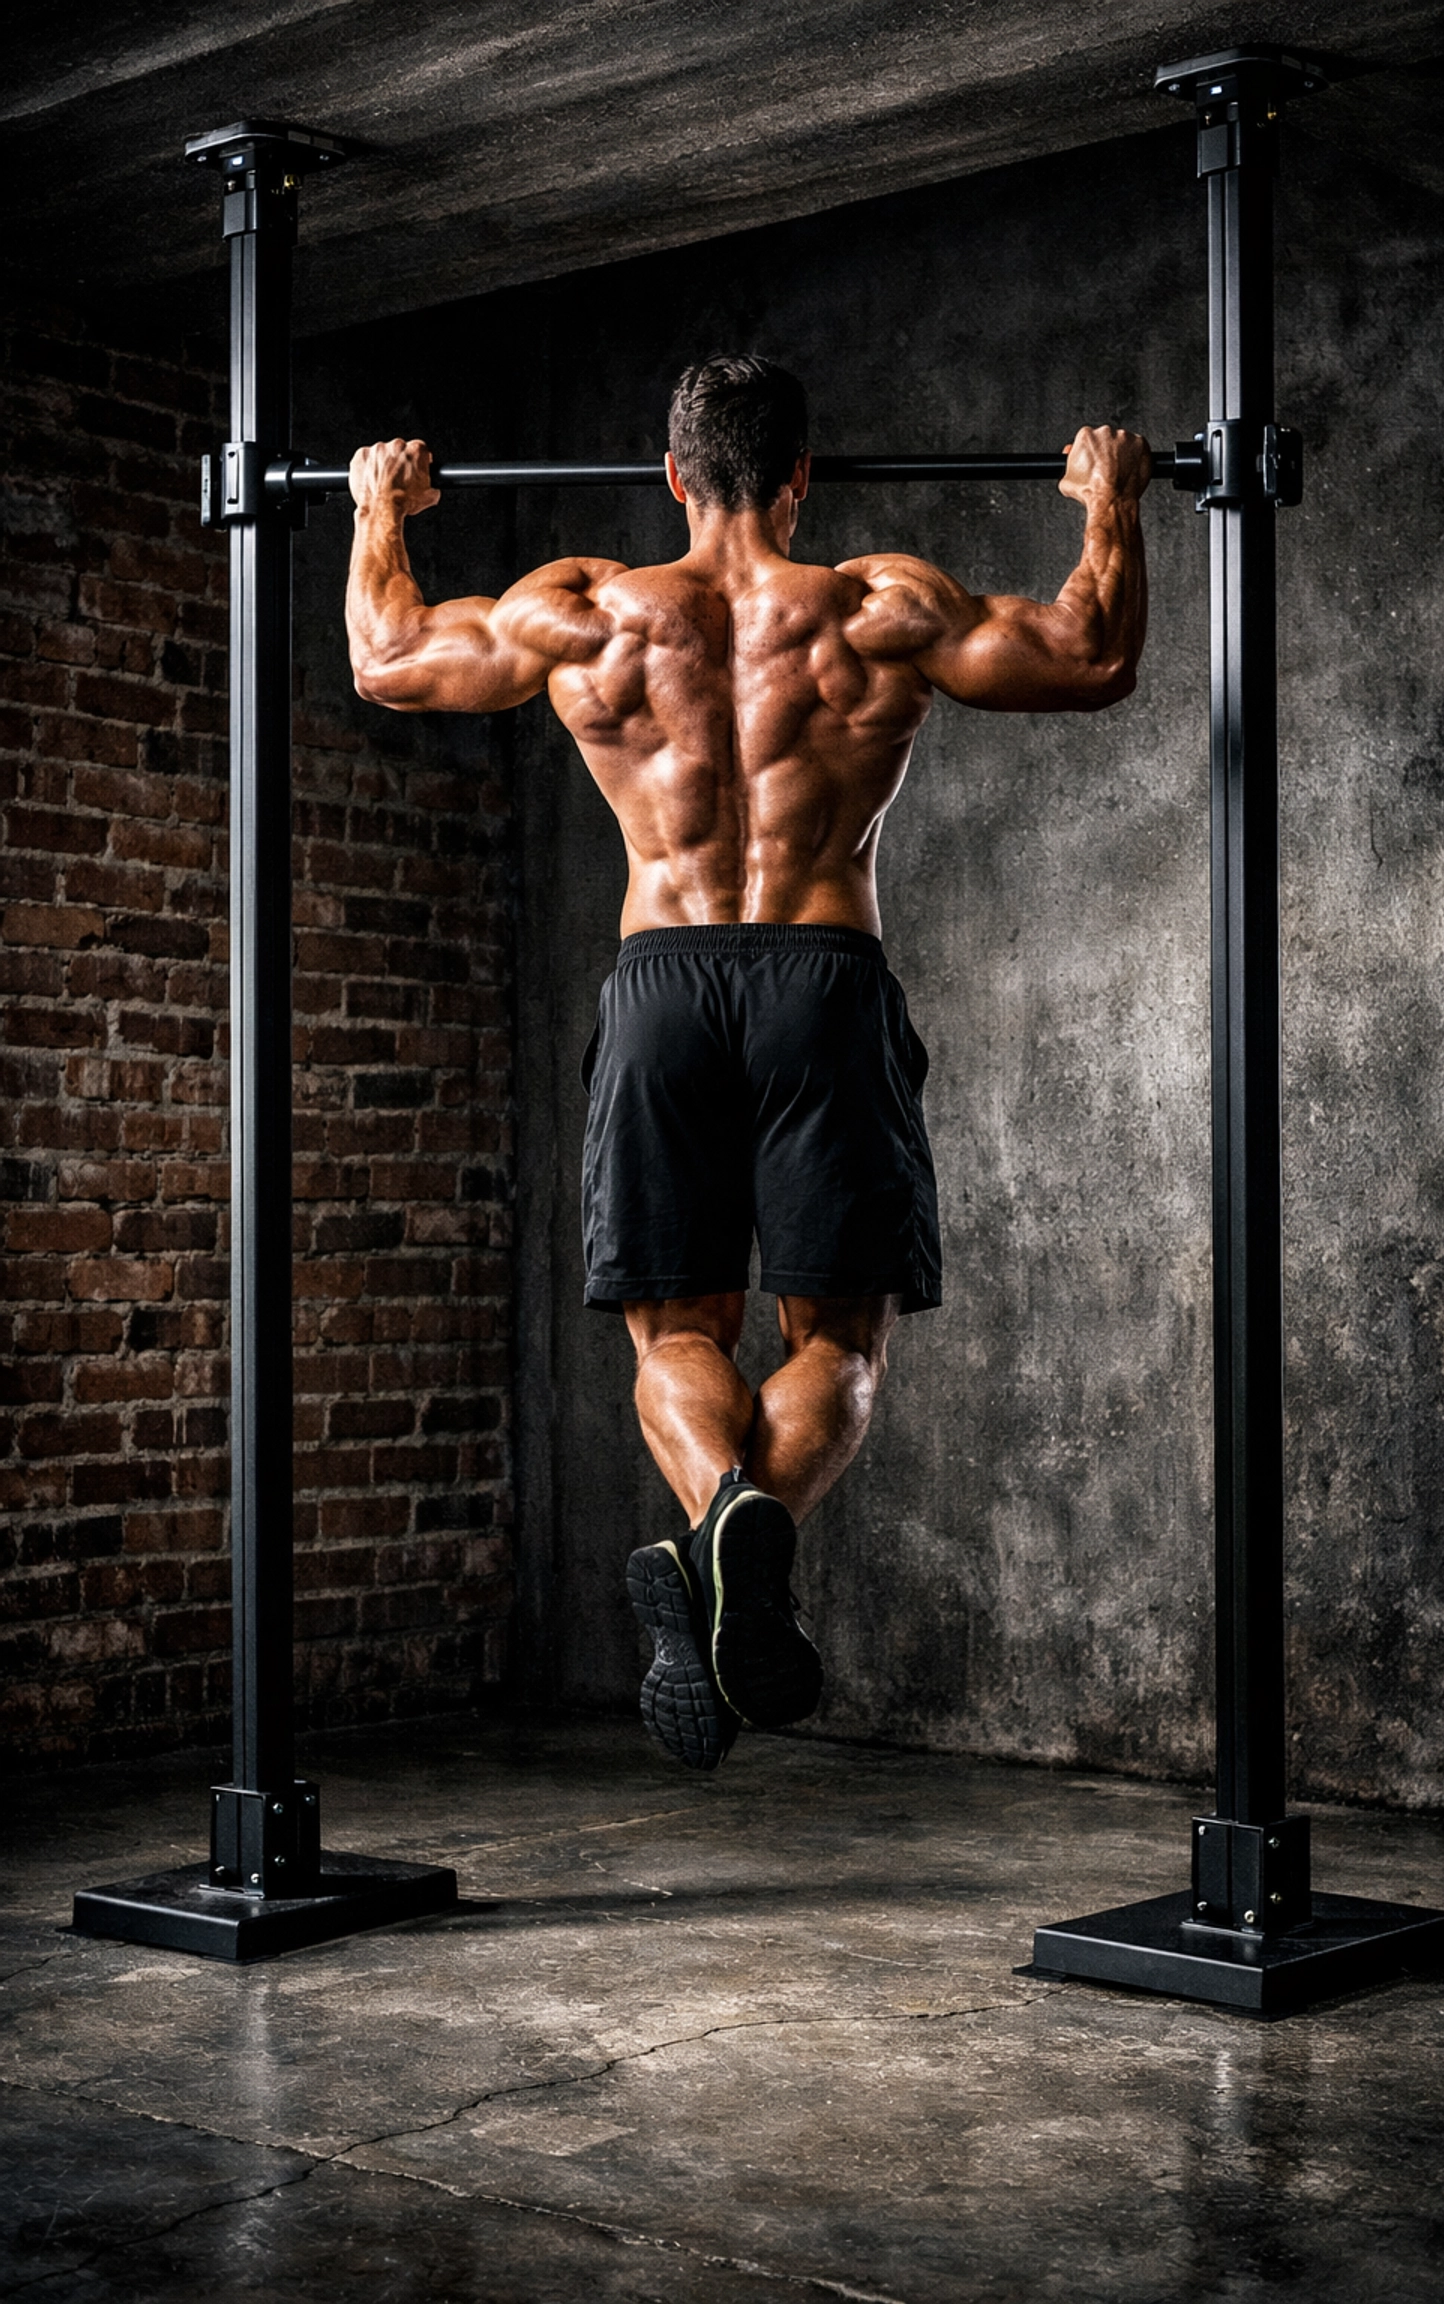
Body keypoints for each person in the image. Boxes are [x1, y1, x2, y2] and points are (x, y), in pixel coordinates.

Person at [345, 356, 1150, 1771]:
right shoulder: (873, 604)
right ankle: (746, 1544)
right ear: (800, 479)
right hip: (823, 977)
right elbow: (1091, 657)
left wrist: (377, 511)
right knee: (835, 1339)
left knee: (675, 1337)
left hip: (665, 979)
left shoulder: (585, 609)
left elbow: (390, 659)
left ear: (670, 475)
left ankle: (720, 1512)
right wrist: (1110, 505)